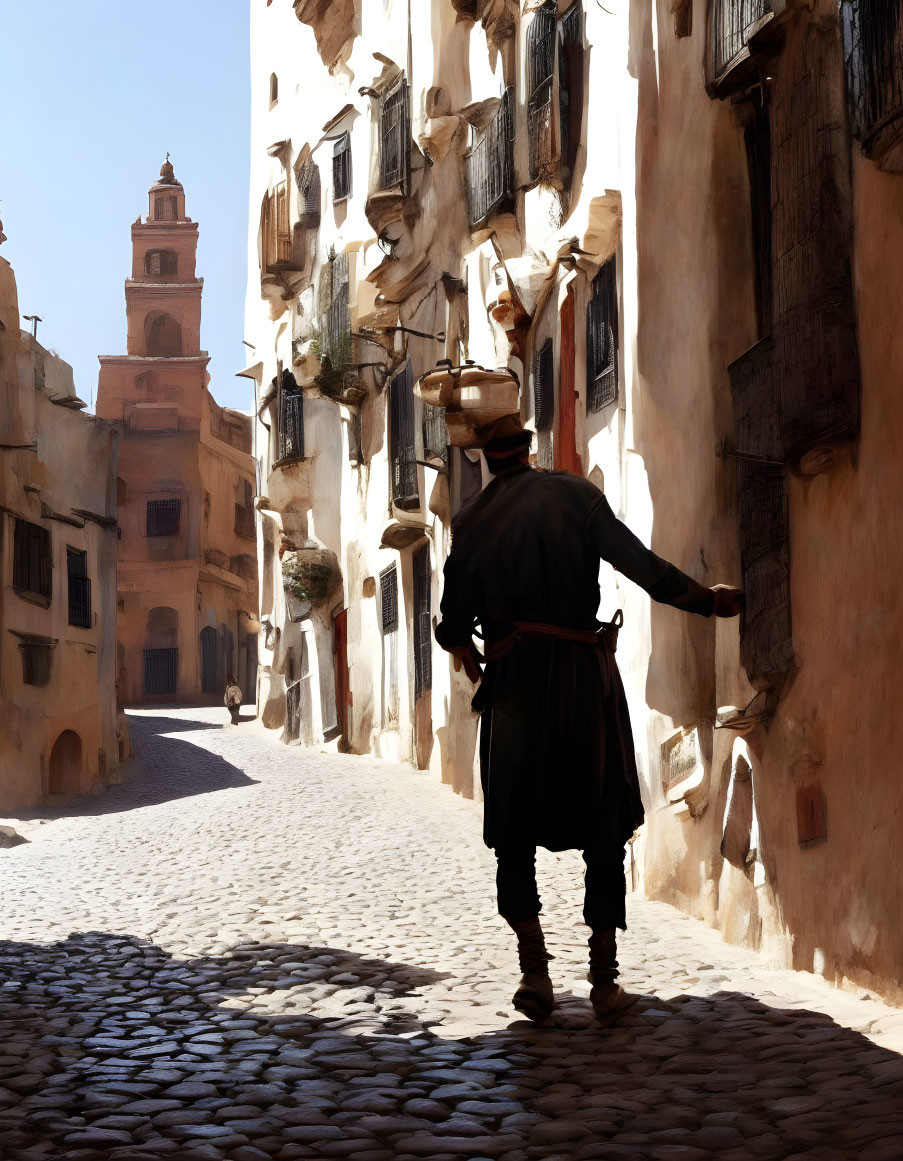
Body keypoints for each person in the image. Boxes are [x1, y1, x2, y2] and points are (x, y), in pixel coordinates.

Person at [435, 416, 743, 1023]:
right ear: (530, 451)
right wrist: (708, 601)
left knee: (513, 835)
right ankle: (605, 983)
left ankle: (535, 976)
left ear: (488, 461)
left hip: (515, 686)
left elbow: (450, 619)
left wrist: (467, 643)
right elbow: (643, 568)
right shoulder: (576, 496)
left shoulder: (472, 521)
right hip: (580, 679)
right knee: (602, 824)